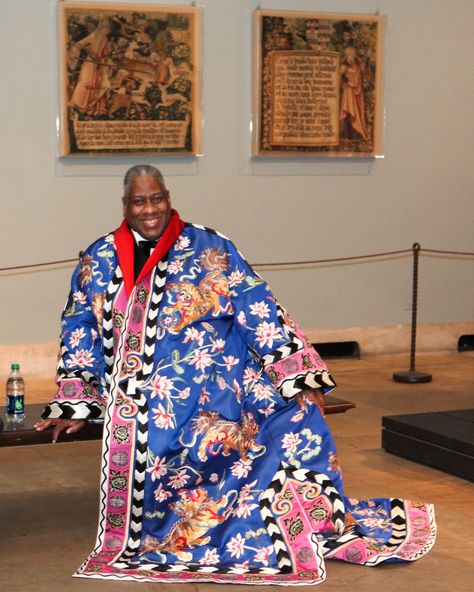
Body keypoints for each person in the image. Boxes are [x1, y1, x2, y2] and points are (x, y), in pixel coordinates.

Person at [35, 165, 436, 585]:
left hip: (222, 381)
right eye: (139, 201)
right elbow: (78, 325)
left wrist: (297, 376)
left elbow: (257, 305)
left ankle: (280, 513)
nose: (149, 209)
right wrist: (77, 399)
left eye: (157, 198)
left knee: (296, 415)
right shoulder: (98, 258)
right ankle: (172, 531)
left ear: (168, 198)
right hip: (144, 394)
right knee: (160, 440)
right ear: (125, 206)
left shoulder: (210, 245)